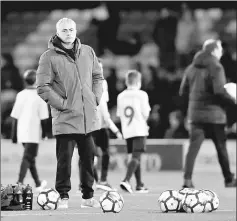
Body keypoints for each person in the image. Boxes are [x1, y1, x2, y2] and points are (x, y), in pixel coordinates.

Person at [36, 18, 104, 209]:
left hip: (87, 117)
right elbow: (42, 87)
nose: (68, 33)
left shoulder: (88, 51)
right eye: (64, 30)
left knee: (88, 159)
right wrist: (64, 105)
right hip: (65, 117)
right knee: (64, 161)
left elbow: (98, 77)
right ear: (58, 33)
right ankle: (63, 196)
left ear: (76, 31)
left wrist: (95, 98)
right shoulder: (48, 57)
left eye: (71, 29)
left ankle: (88, 197)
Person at [179, 39, 236, 188]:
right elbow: (219, 92)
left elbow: (183, 92)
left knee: (192, 149)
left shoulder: (190, 68)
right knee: (221, 148)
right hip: (215, 116)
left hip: (195, 115)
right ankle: (229, 179)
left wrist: (188, 112)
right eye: (220, 50)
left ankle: (187, 180)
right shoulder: (217, 67)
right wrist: (233, 101)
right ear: (214, 51)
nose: (221, 53)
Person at [76, 60, 122, 193]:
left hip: (97, 124)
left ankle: (99, 181)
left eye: (101, 68)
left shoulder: (101, 82)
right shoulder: (90, 84)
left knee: (98, 153)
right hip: (92, 125)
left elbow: (103, 106)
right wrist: (115, 129)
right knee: (89, 154)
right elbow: (101, 106)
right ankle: (90, 181)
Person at [10, 69, 48, 193]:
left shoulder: (20, 94)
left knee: (30, 158)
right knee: (28, 157)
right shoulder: (40, 95)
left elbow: (15, 116)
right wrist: (45, 134)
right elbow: (43, 118)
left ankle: (38, 183)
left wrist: (14, 135)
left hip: (21, 132)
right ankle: (19, 182)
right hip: (33, 132)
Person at [117, 70, 151, 193]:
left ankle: (139, 184)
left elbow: (120, 115)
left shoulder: (120, 96)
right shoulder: (142, 94)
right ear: (138, 82)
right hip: (139, 129)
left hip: (127, 130)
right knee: (136, 156)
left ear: (127, 82)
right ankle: (126, 180)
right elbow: (146, 114)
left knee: (134, 157)